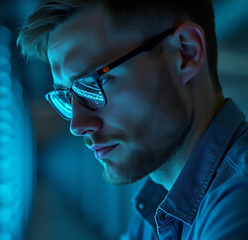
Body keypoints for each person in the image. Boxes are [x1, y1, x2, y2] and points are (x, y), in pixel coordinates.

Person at [17, 0, 248, 239]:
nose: (77, 125)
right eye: (68, 97)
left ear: (186, 53)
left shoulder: (237, 203)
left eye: (94, 83)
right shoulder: (154, 216)